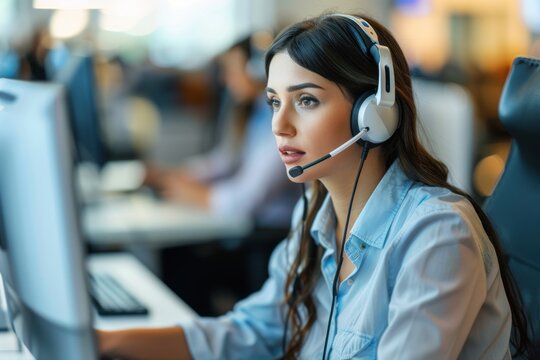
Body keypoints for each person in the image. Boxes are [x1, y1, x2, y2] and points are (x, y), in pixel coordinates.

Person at [98, 13, 533, 359]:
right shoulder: (315, 213)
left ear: (373, 113)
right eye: (273, 102)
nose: (279, 126)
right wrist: (105, 343)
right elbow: (256, 331)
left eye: (306, 100)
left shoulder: (437, 235)